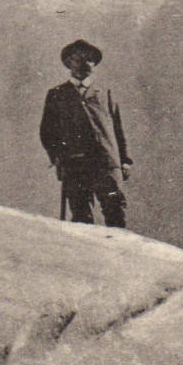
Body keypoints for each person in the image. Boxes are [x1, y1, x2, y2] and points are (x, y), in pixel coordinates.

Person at [39, 39, 132, 228]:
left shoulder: (105, 93)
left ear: (95, 63)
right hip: (75, 165)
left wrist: (124, 160)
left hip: (107, 164)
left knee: (115, 211)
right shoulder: (57, 94)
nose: (84, 63)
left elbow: (117, 130)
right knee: (81, 218)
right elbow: (47, 131)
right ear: (68, 63)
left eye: (89, 59)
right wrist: (58, 157)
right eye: (77, 59)